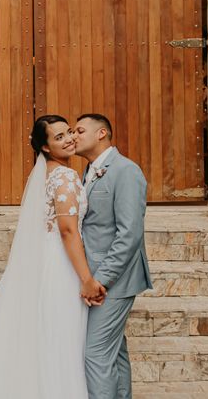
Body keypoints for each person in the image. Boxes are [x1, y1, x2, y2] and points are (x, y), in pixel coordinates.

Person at [0, 115, 103, 399]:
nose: (68, 139)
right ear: (45, 148)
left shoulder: (48, 175)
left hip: (46, 259)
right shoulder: (65, 176)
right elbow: (68, 231)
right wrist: (86, 279)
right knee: (61, 339)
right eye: (59, 137)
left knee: (45, 337)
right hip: (62, 267)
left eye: (69, 132)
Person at [73, 114, 153, 399]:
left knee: (95, 354)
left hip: (114, 281)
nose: (74, 136)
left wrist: (100, 279)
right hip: (95, 277)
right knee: (114, 352)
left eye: (80, 130)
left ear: (102, 133)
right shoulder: (90, 170)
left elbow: (129, 233)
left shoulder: (125, 170)